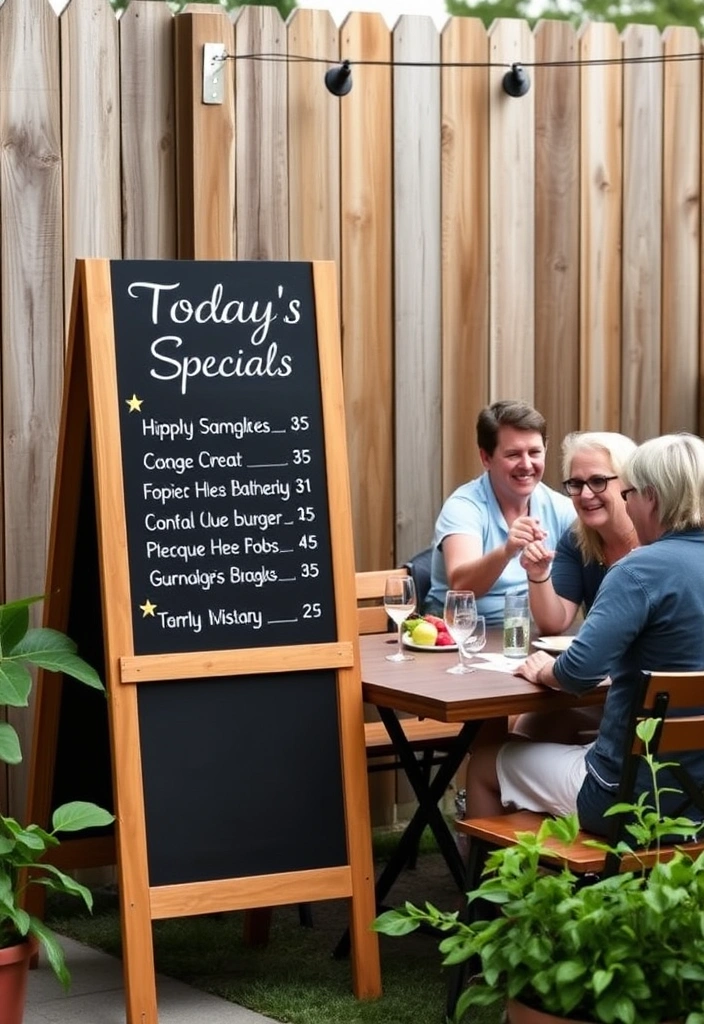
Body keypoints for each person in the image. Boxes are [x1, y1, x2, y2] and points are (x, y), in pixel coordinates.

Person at [465, 433, 704, 835]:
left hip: (626, 799)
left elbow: (578, 673)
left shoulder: (637, 570)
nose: (626, 504)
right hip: (695, 797)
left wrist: (543, 669)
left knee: (486, 762)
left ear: (653, 497)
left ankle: (502, 896)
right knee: (548, 729)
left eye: (629, 493)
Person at [424, 400, 575, 625]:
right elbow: (461, 586)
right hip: (461, 636)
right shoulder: (464, 506)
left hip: (528, 637)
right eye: (513, 455)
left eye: (534, 452)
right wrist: (507, 550)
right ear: (486, 458)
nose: (526, 464)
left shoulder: (561, 508)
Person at [520, 431, 638, 635]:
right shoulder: (576, 539)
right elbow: (554, 624)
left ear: (629, 482)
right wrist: (538, 574)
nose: (585, 494)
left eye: (598, 481)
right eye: (576, 483)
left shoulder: (660, 538)